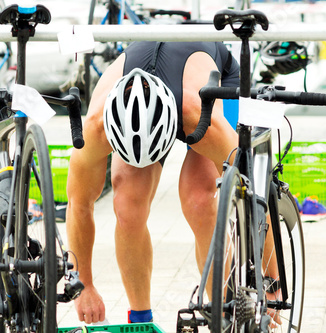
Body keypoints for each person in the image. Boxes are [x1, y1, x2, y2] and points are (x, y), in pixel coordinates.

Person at [65, 41, 240, 325]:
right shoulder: (96, 127)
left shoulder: (200, 118)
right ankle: (141, 322)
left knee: (198, 199)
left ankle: (223, 314)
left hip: (205, 89)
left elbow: (258, 188)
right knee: (127, 205)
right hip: (140, 104)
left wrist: (272, 285)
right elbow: (78, 204)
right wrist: (83, 286)